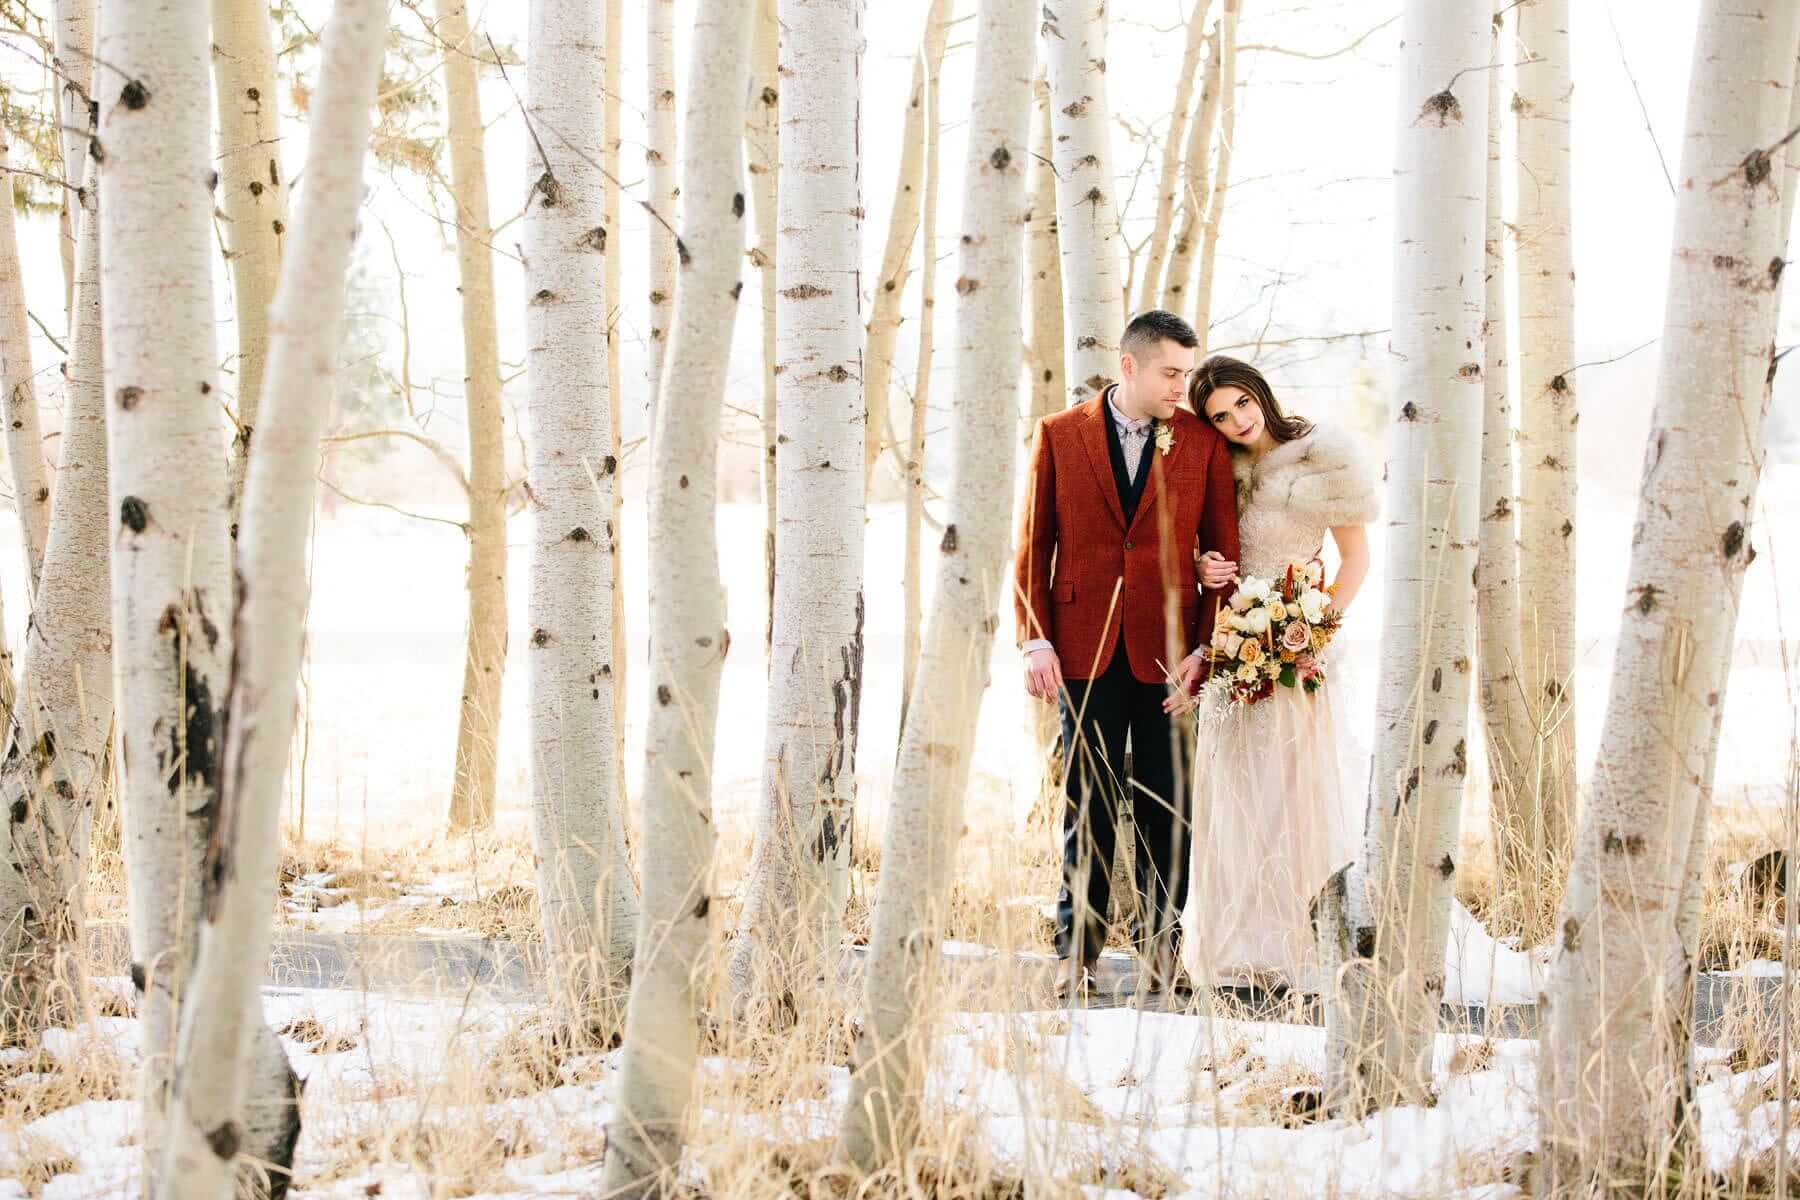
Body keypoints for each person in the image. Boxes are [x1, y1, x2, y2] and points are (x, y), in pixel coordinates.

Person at [1013, 310, 1240, 999]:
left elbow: (1224, 554)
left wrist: (1207, 646)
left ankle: (1165, 954)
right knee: (1088, 806)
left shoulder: (1201, 444)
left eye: (1188, 373)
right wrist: (1035, 639)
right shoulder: (1059, 434)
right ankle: (1073, 954)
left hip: (1172, 658)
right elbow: (1033, 544)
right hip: (1082, 650)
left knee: (1166, 809)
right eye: (1172, 373)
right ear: (1130, 366)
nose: (1183, 386)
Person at [1173, 356, 1377, 993]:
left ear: (1259, 391)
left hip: (1300, 650)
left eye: (1241, 403)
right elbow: (1200, 545)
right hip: (1234, 647)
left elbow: (1356, 561)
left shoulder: (1323, 455)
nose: (1237, 420)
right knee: (1236, 796)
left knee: (1294, 792)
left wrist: (1313, 631)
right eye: (1220, 416)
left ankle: (1304, 944)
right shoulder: (1218, 468)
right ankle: (1239, 947)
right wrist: (1203, 564)